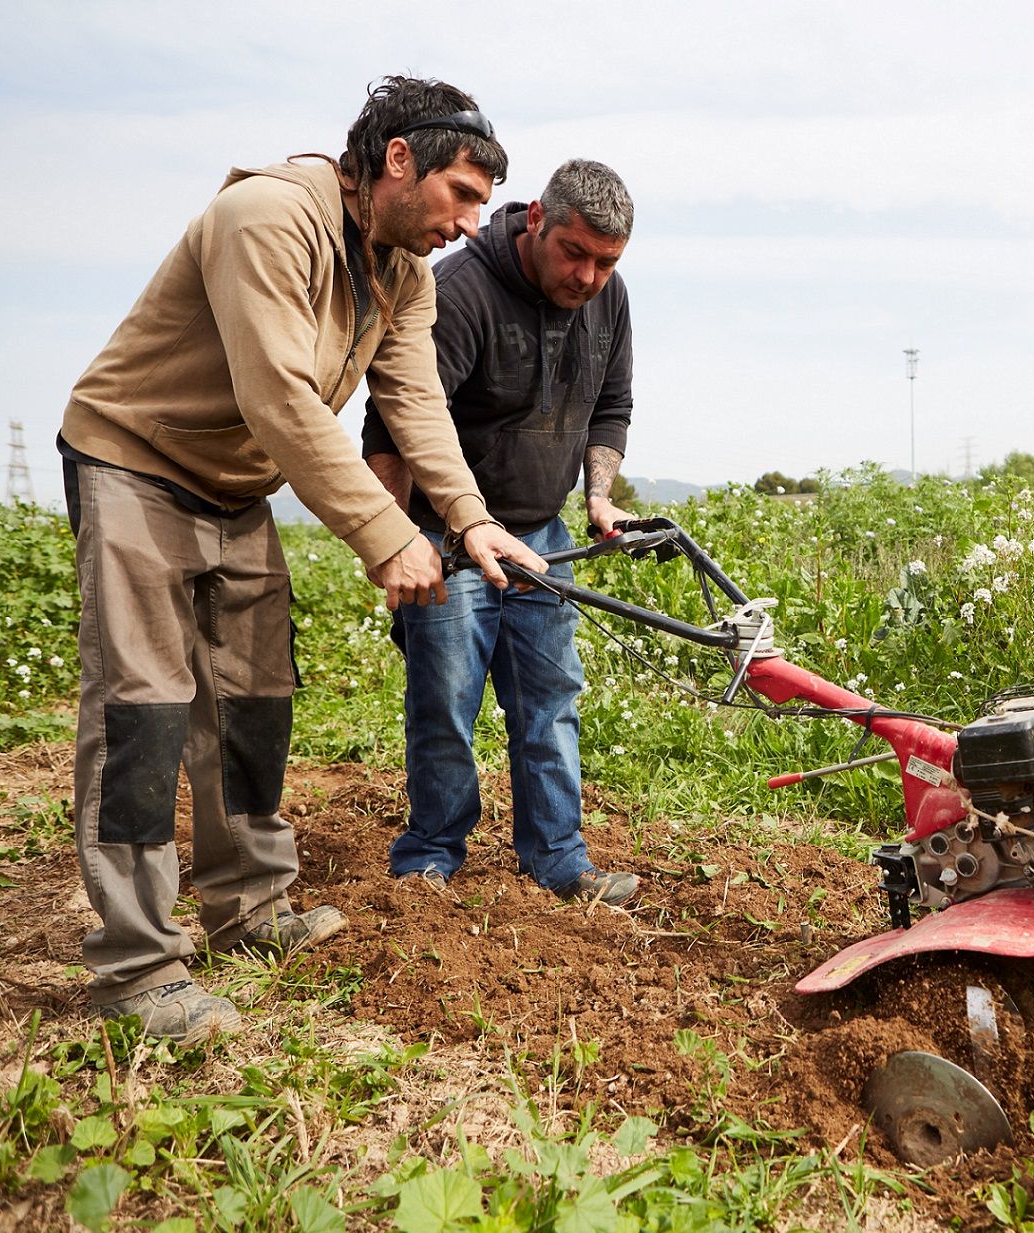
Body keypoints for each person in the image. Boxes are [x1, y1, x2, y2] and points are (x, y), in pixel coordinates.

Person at [58, 76, 550, 1045]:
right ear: (397, 159)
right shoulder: (266, 216)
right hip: (134, 462)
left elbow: (413, 407)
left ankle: (246, 910)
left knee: (252, 702)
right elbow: (278, 395)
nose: (469, 221)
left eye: (482, 204)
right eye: (461, 192)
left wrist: (469, 518)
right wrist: (385, 534)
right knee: (147, 711)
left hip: (233, 487)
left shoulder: (401, 275)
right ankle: (137, 968)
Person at [361, 159, 641, 906]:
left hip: (543, 535)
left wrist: (599, 499)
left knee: (550, 699)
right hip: (449, 537)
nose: (587, 276)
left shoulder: (608, 299)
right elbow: (391, 421)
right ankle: (430, 857)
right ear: (538, 220)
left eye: (606, 262)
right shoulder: (460, 293)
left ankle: (557, 859)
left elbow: (611, 403)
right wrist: (393, 538)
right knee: (445, 700)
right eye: (573, 254)